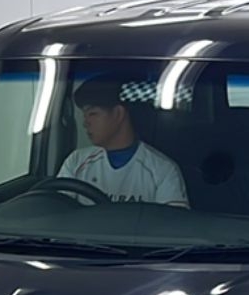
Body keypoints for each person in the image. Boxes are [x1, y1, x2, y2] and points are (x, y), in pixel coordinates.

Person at [58, 75, 189, 208]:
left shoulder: (162, 170)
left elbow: (172, 220)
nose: (85, 123)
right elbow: (57, 210)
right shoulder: (76, 162)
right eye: (84, 115)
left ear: (118, 113)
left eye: (93, 114)